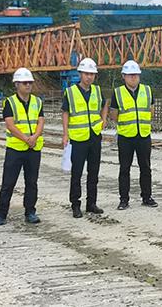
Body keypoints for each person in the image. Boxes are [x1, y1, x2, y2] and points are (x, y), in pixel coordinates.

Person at [0, 67, 45, 226]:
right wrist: (26, 139)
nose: (28, 85)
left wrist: (34, 137)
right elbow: (10, 125)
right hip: (15, 149)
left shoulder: (37, 101)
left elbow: (41, 121)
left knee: (32, 183)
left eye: (30, 82)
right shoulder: (9, 102)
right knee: (8, 183)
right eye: (24, 83)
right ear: (17, 84)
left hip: (33, 149)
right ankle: (0, 215)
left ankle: (30, 212)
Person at [62, 57, 108, 218]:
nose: (89, 77)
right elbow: (65, 113)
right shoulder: (70, 92)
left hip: (94, 136)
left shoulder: (97, 90)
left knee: (93, 172)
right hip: (78, 138)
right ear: (80, 74)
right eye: (86, 74)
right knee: (76, 173)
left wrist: (103, 119)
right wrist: (65, 134)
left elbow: (104, 104)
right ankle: (75, 205)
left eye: (92, 74)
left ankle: (91, 203)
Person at [109, 60, 157, 210]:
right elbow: (114, 115)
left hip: (143, 135)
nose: (133, 77)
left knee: (146, 168)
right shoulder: (118, 93)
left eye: (135, 74)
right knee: (124, 169)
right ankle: (124, 199)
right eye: (130, 75)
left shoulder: (147, 90)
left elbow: (151, 111)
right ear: (123, 76)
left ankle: (147, 197)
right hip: (126, 137)